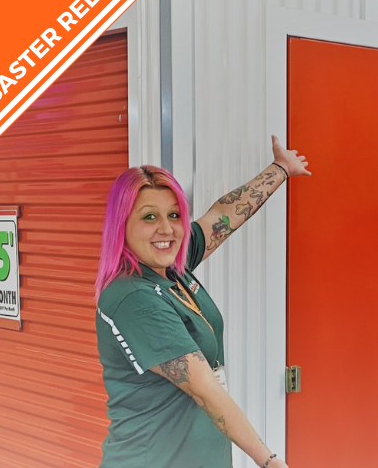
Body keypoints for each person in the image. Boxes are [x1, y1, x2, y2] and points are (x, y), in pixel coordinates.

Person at [94, 135, 308, 468]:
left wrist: (280, 168)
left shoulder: (170, 268)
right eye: (149, 217)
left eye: (174, 215)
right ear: (122, 226)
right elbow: (204, 389)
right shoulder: (134, 298)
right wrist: (268, 461)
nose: (167, 229)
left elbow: (222, 217)